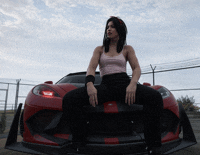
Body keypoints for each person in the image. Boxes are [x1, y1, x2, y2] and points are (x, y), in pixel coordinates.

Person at [62, 16, 163, 155]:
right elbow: (91, 68)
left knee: (155, 97)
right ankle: (79, 142)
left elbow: (136, 68)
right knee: (69, 99)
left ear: (120, 29)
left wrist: (133, 84)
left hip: (124, 84)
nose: (109, 29)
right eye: (107, 27)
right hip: (106, 85)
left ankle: (153, 145)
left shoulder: (127, 49)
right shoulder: (99, 49)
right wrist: (90, 85)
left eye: (112, 26)